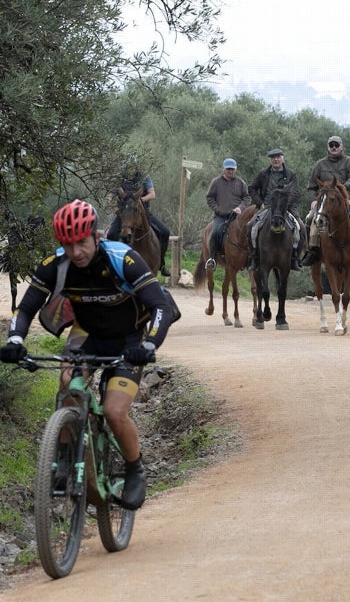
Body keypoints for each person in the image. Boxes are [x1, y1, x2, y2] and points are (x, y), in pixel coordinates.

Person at [0, 199, 176, 511]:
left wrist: (148, 346)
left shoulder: (124, 259)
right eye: (68, 245)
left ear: (95, 236)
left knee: (113, 411)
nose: (76, 252)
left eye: (81, 242)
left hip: (129, 339)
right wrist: (15, 338)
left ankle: (135, 469)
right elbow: (26, 307)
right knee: (69, 385)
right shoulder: (56, 265)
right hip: (86, 335)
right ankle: (64, 462)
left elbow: (160, 306)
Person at [247, 148, 304, 272]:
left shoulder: (291, 174)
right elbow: (251, 188)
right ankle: (253, 258)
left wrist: (284, 205)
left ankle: (295, 259)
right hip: (266, 206)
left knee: (302, 227)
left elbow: (295, 192)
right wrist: (259, 203)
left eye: (278, 156)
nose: (276, 159)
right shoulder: (263, 173)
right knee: (250, 225)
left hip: (287, 207)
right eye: (273, 157)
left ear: (283, 158)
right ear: (269, 159)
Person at [107, 170, 171, 277]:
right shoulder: (120, 176)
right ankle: (111, 265)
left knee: (165, 232)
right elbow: (110, 195)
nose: (131, 169)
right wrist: (114, 205)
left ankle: (161, 264)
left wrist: (137, 201)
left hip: (142, 212)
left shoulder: (144, 176)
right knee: (111, 234)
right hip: (124, 213)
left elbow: (152, 194)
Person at [302, 135, 350, 266]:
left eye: (336, 145)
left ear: (342, 147)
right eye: (331, 145)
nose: (334, 148)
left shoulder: (348, 162)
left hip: (345, 198)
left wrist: (341, 189)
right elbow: (311, 187)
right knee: (309, 218)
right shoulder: (319, 164)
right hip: (325, 201)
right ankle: (312, 250)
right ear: (327, 147)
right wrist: (313, 200)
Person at [205, 158, 251, 270]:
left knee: (251, 233)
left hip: (237, 217)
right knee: (215, 232)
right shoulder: (216, 182)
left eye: (232, 169)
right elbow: (209, 197)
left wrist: (240, 208)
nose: (230, 171)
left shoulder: (241, 183)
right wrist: (218, 209)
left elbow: (247, 198)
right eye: (228, 169)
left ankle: (250, 260)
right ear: (223, 169)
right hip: (221, 216)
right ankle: (212, 259)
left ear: (235, 169)